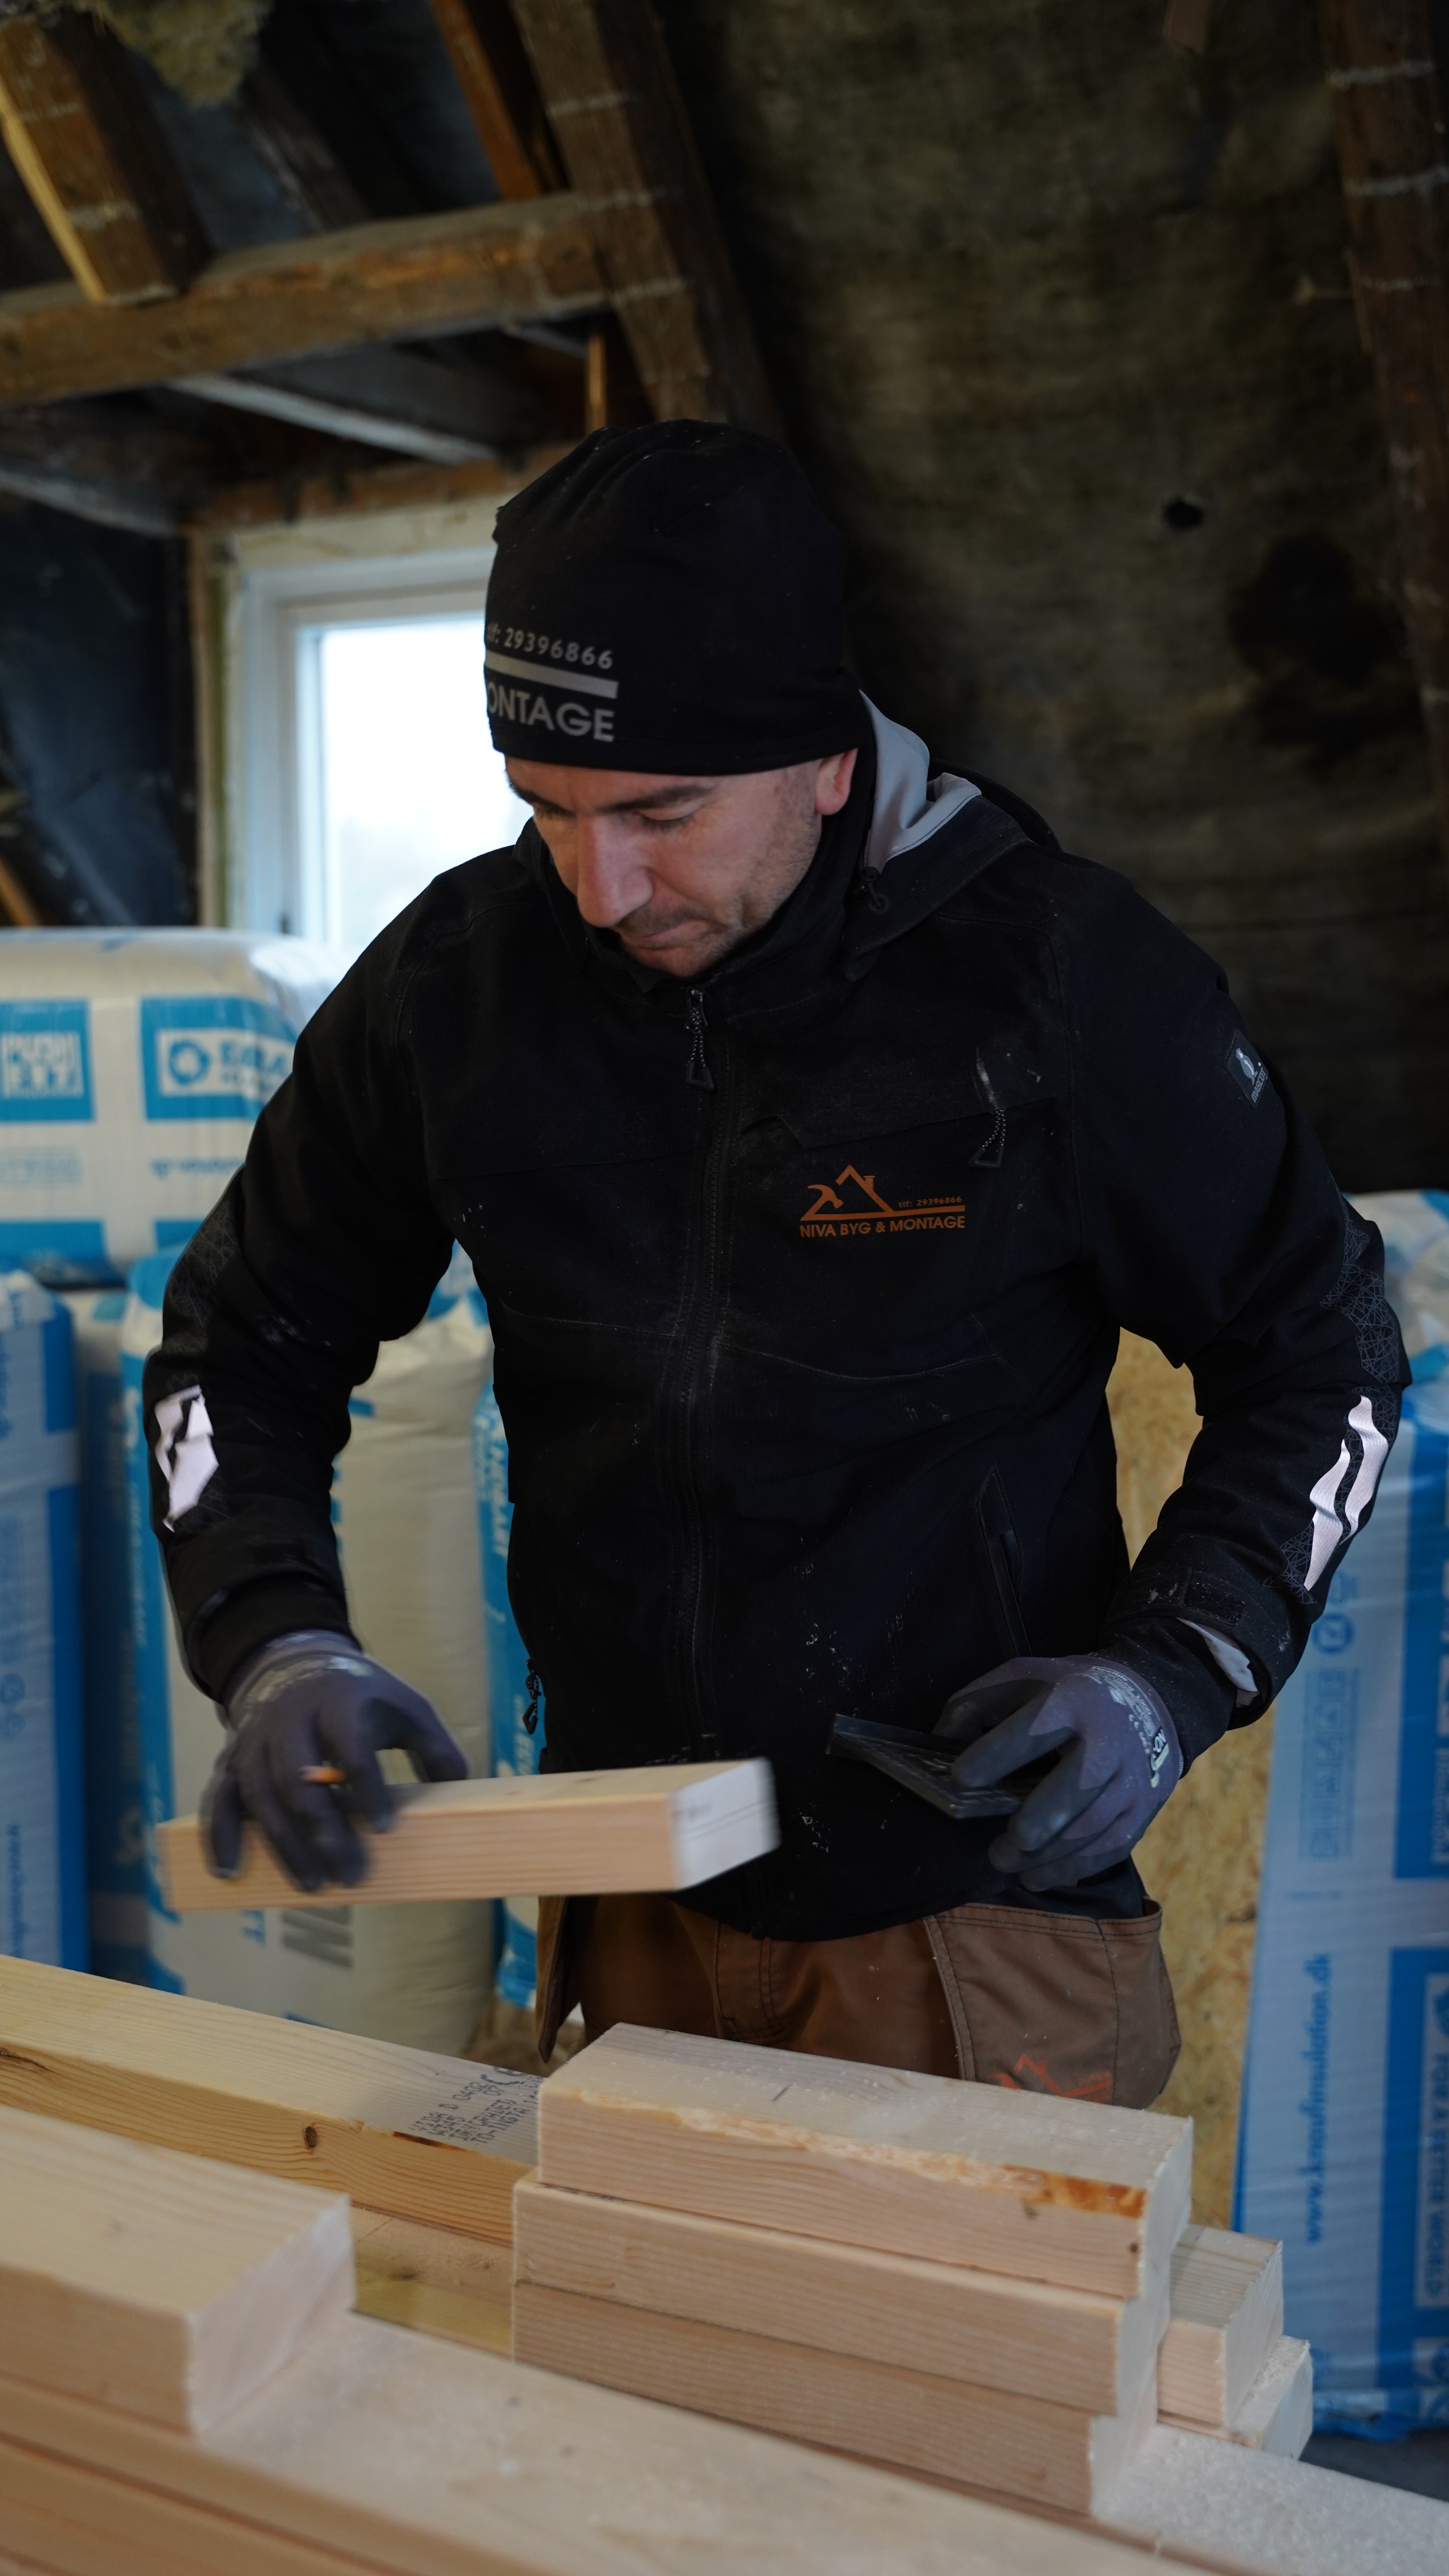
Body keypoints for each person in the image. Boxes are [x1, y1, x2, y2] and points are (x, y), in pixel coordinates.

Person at [144, 423, 1407, 2104]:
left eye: (660, 813)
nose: (600, 887)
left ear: (823, 758)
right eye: (547, 812)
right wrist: (275, 1638)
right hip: (627, 1892)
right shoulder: (459, 986)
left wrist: (1173, 1671)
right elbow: (240, 1341)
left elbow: (1322, 1351)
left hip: (965, 1927)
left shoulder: (1052, 982)